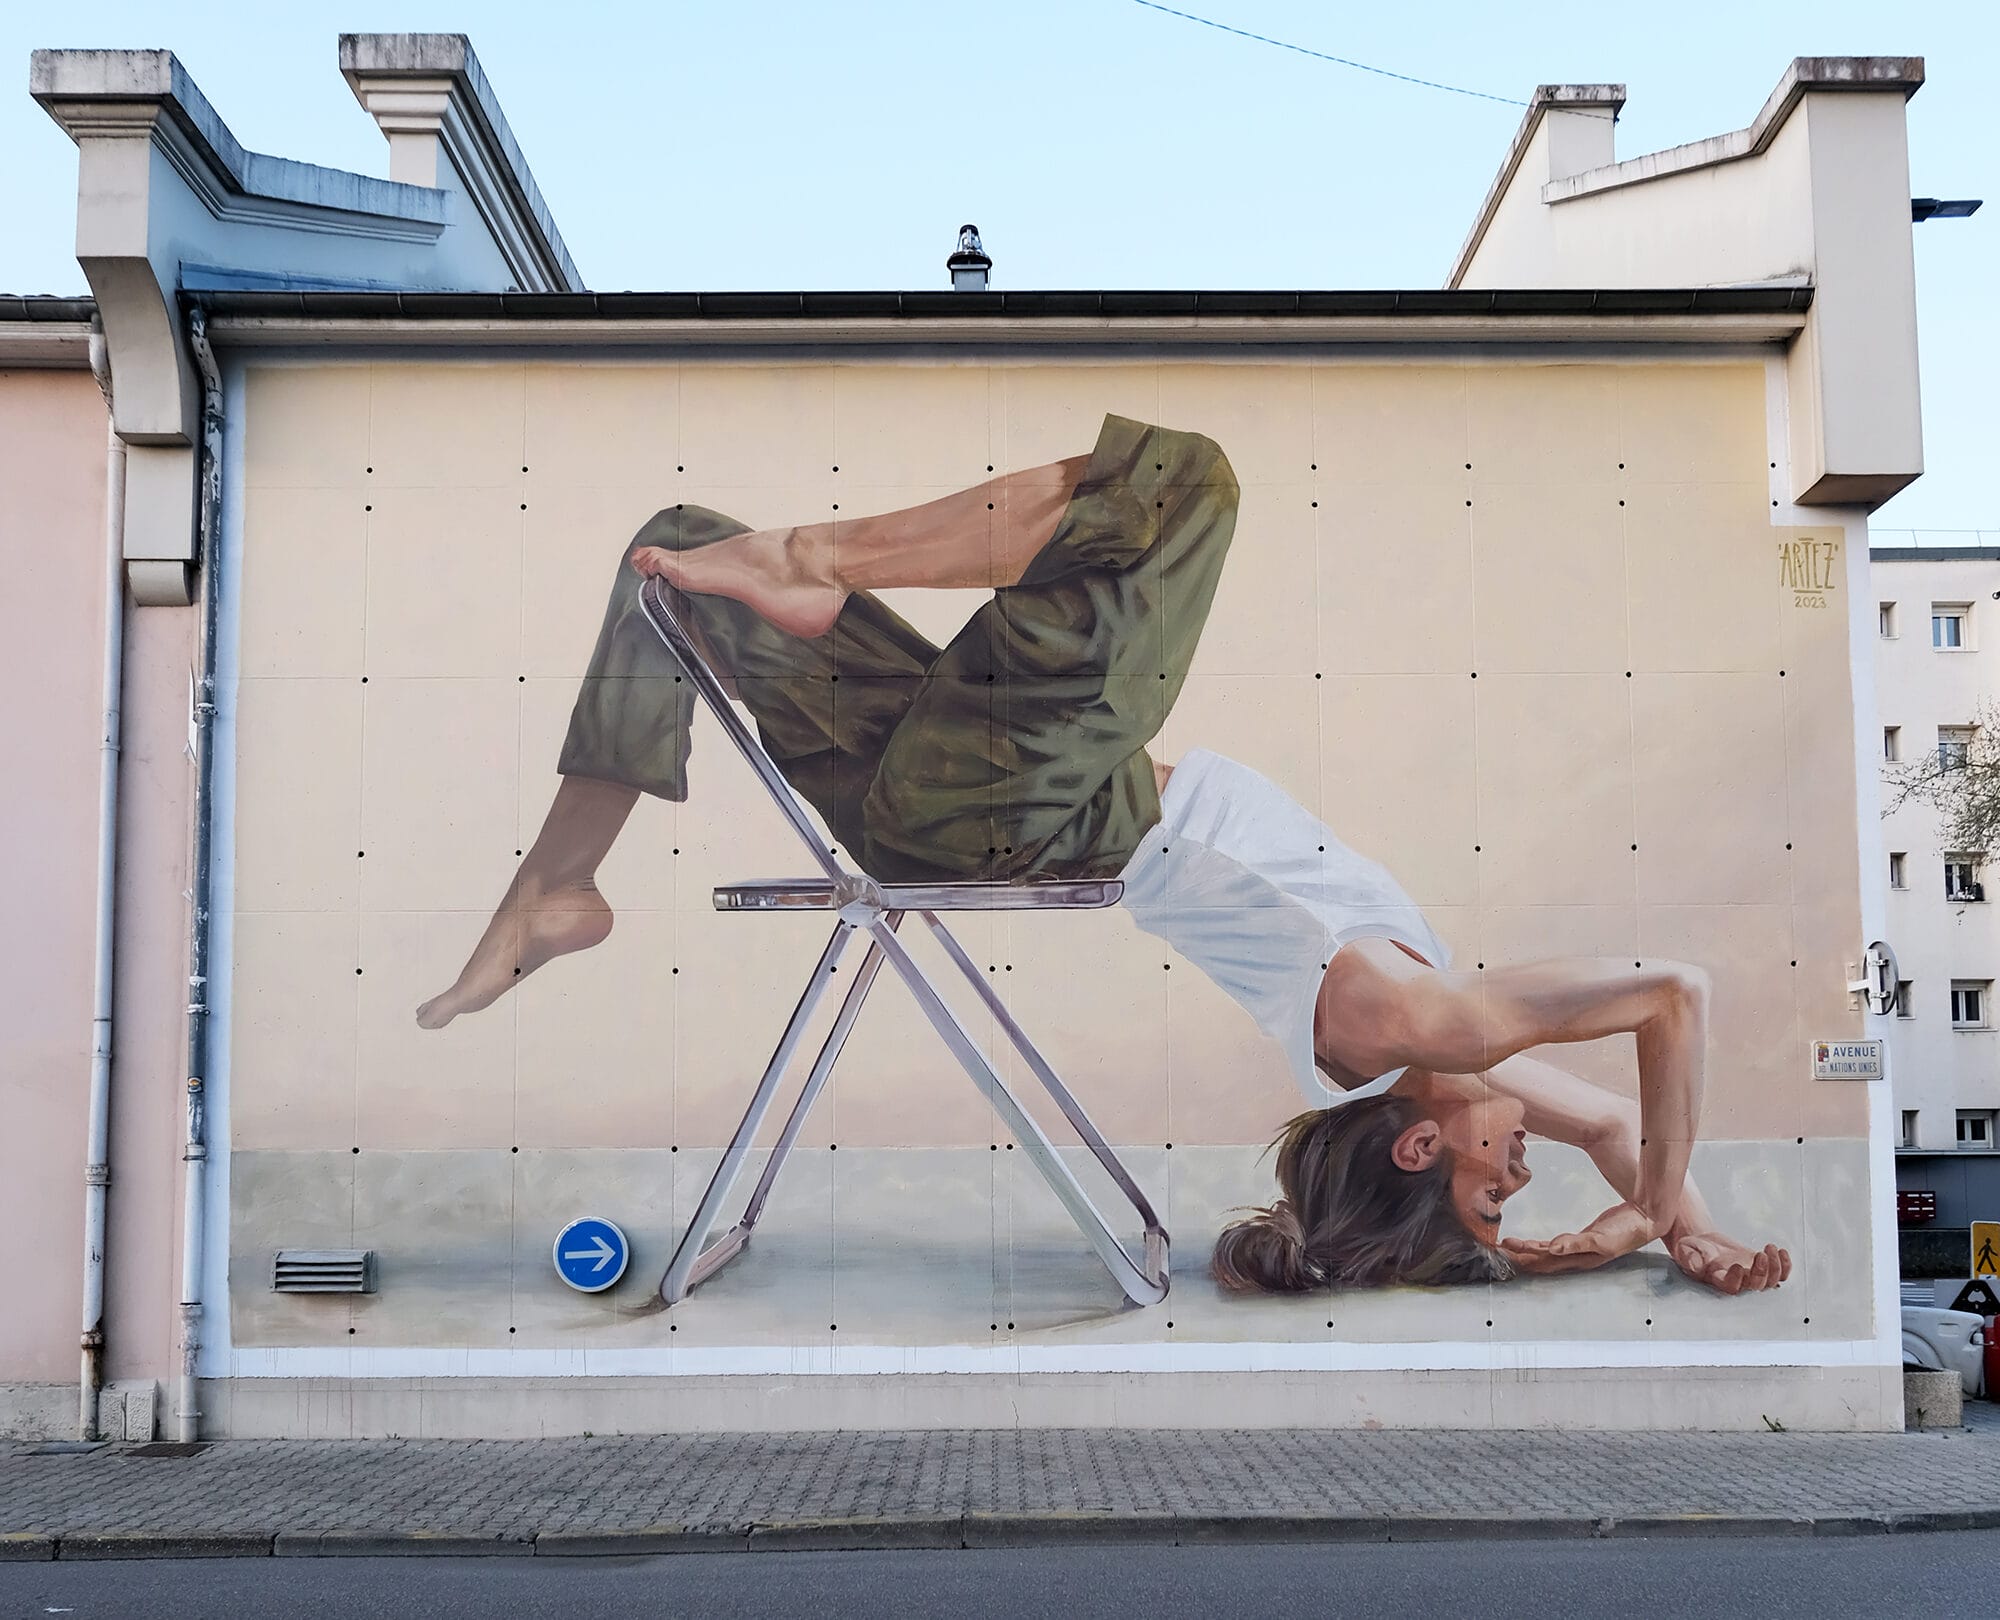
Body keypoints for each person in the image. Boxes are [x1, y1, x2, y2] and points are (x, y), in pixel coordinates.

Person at [417, 414, 1791, 1299]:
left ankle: (810, 554)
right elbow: (1622, 1119)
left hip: (1026, 800)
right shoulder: (1434, 1058)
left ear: (1424, 1142)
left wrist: (1647, 1208)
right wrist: (1676, 1226)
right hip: (954, 790)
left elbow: (1669, 999)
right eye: (1516, 1185)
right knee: (680, 551)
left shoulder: (1414, 1024)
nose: (1526, 1164)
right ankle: (563, 877)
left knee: (1179, 483)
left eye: (1495, 1183)